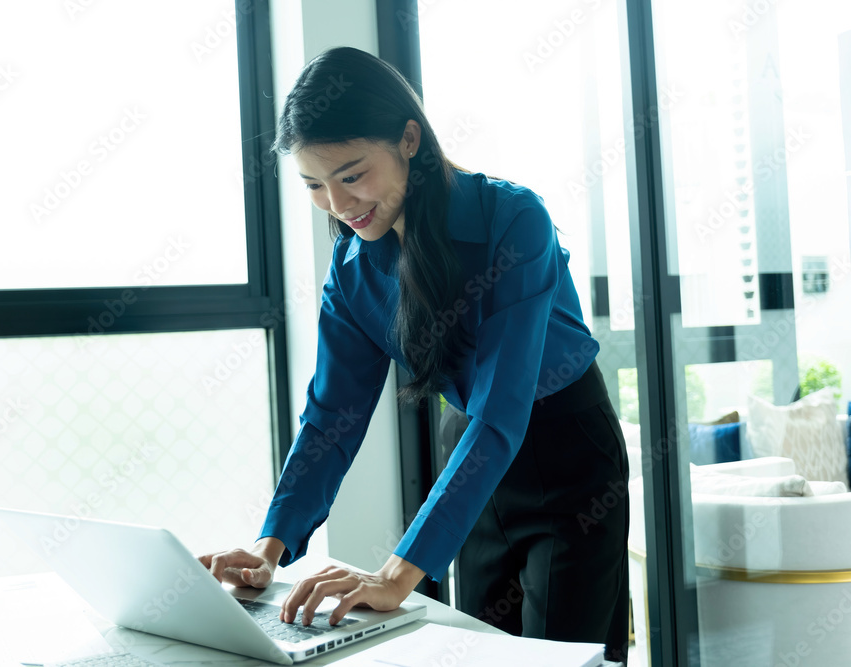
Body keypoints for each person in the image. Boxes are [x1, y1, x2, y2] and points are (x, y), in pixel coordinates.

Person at [198, 46, 629, 663]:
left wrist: (397, 575)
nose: (339, 205)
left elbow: (501, 407)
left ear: (408, 138)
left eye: (351, 175)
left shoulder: (513, 219)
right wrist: (270, 546)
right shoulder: (350, 270)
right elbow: (331, 418)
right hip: (471, 462)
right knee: (486, 651)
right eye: (314, 186)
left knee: (567, 657)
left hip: (566, 452)